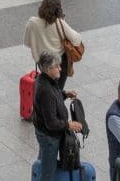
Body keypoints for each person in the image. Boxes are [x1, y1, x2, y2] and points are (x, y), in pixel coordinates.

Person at [32, 51, 83, 181]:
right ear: (49, 69)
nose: (61, 68)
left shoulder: (45, 80)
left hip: (45, 133)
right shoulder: (45, 91)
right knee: (48, 172)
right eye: (58, 66)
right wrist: (68, 125)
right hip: (49, 137)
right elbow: (51, 123)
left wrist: (65, 94)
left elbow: (54, 96)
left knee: (43, 161)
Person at [24, 0, 83, 91]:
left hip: (43, 63)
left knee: (46, 88)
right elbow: (76, 40)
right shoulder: (59, 22)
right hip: (59, 63)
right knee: (57, 90)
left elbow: (27, 43)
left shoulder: (32, 22)